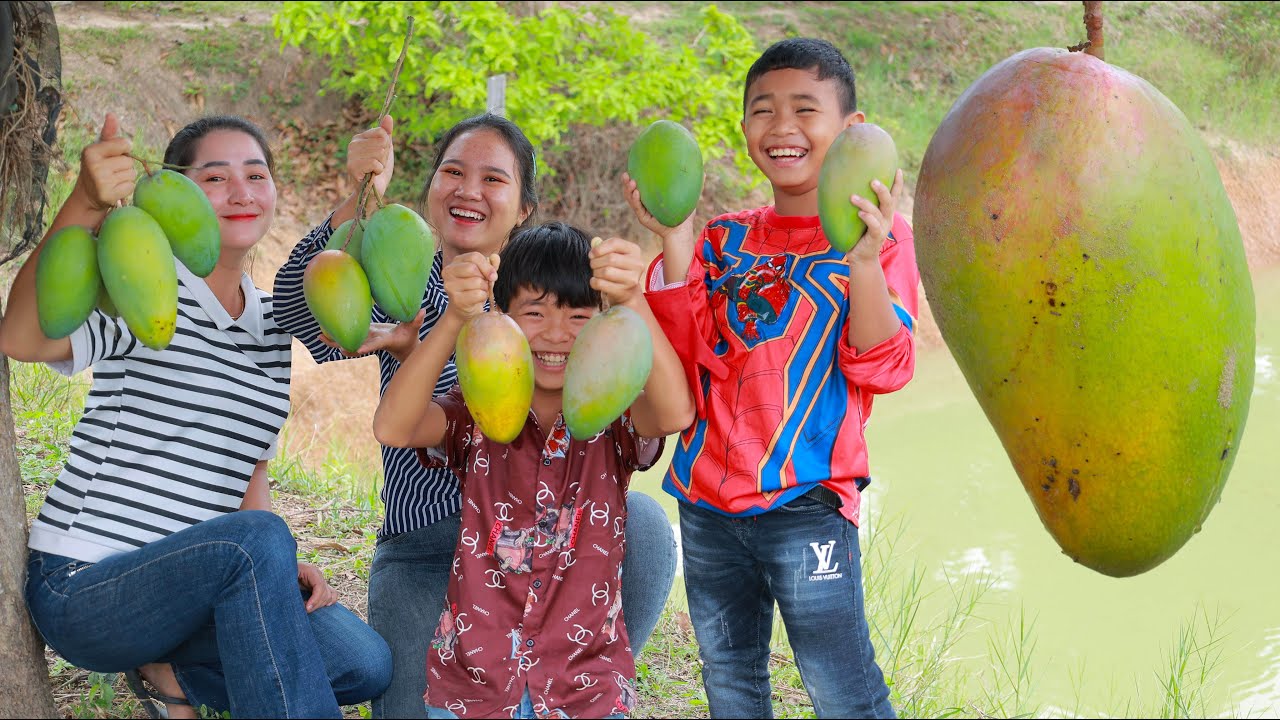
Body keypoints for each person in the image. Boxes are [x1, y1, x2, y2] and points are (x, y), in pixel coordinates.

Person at [272, 114, 681, 718]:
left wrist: (632, 297)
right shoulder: (406, 276)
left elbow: (657, 401)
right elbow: (292, 307)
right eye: (454, 172)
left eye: (494, 178)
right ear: (432, 187)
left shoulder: (546, 293)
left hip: (556, 543)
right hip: (428, 545)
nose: (469, 190)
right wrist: (352, 203)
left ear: (523, 208)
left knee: (643, 521)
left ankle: (573, 678)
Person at [0, 113, 392, 719]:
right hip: (87, 582)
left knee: (361, 662)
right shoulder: (148, 283)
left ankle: (170, 675)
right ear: (178, 192)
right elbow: (25, 337)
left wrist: (278, 571)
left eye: (256, 174)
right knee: (259, 545)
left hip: (200, 588)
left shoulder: (269, 322)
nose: (241, 192)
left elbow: (249, 474)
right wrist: (82, 203)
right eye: (215, 177)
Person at [624, 37, 917, 718]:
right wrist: (674, 236)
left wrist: (867, 265)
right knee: (728, 676)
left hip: (807, 502)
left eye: (803, 109)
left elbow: (886, 366)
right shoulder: (723, 240)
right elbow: (680, 353)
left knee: (839, 685)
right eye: (763, 109)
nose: (781, 126)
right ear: (745, 128)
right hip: (705, 505)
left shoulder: (878, 238)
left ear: (851, 130)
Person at [371, 222, 695, 719]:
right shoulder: (478, 413)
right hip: (475, 685)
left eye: (578, 315)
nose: (556, 334)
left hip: (585, 690)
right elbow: (394, 427)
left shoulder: (612, 418)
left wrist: (633, 301)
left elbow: (674, 414)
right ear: (504, 317)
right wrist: (459, 318)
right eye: (534, 312)